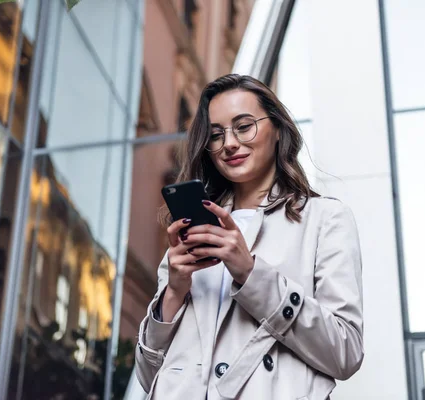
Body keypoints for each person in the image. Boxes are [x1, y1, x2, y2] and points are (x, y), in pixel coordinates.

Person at [134, 74, 363, 400]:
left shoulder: (324, 220)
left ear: (278, 129)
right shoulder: (192, 232)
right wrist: (173, 292)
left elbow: (346, 352)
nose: (228, 143)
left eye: (244, 126)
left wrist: (251, 274)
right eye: (216, 135)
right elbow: (148, 376)